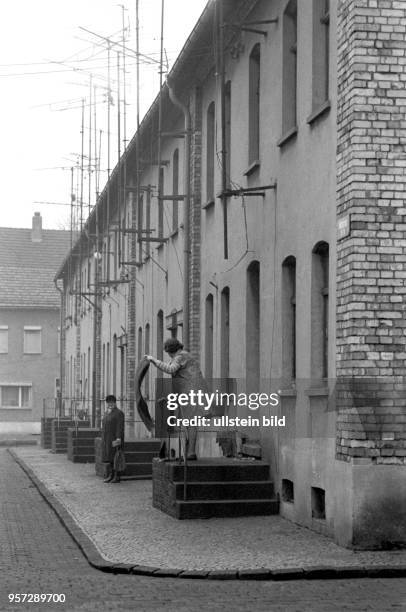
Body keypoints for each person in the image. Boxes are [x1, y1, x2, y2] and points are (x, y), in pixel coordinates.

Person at [145, 338, 208, 460]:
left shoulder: (181, 356)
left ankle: (191, 453)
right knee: (190, 423)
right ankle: (189, 452)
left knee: (191, 423)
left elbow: (170, 369)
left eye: (169, 353)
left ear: (172, 350)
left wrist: (154, 360)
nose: (169, 355)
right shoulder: (183, 357)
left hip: (191, 394)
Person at [101, 394, 125, 483]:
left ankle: (117, 476)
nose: (110, 404)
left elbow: (120, 426)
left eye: (112, 402)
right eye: (108, 402)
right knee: (110, 458)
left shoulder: (119, 413)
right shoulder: (107, 413)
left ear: (115, 403)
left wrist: (118, 438)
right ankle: (111, 475)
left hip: (115, 439)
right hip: (107, 439)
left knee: (116, 457)